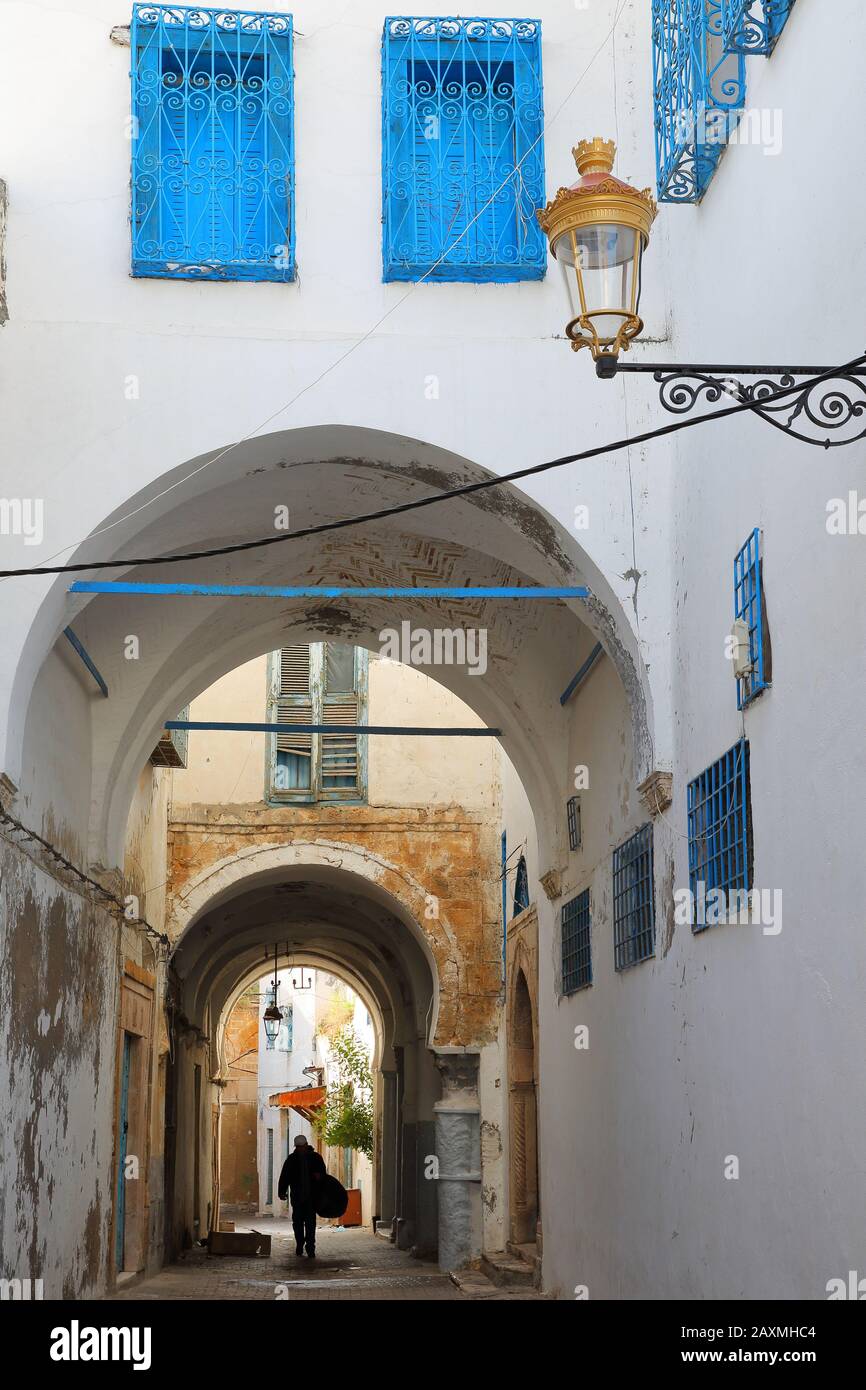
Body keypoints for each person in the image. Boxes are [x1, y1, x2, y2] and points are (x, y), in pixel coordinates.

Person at [277, 1134, 326, 1257]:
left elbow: (323, 1176)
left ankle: (310, 1248)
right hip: (297, 1199)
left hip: (311, 1198)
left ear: (306, 1145)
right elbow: (285, 1177)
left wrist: (319, 1178)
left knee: (310, 1224)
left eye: (301, 1147)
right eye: (298, 1147)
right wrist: (282, 1192)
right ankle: (300, 1244)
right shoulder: (291, 1160)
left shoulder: (316, 1158)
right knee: (297, 1223)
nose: (300, 1149)